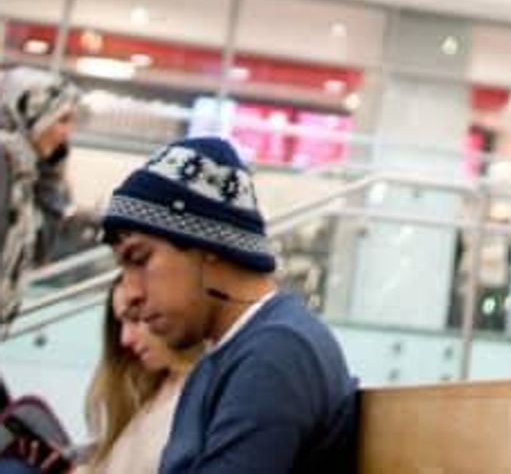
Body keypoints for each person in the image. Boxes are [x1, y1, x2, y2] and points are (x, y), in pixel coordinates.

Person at [100, 136, 356, 472]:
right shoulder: (235, 352)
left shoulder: (276, 352)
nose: (131, 293)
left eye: (140, 258)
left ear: (208, 245)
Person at [82, 280, 201, 474]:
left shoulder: (201, 394)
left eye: (135, 319)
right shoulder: (147, 392)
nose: (125, 339)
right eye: (121, 324)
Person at [1, 69, 79, 332]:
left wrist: (50, 170)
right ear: (34, 115)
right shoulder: (5, 162)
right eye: (62, 120)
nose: (67, 133)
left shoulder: (25, 171)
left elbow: (41, 247)